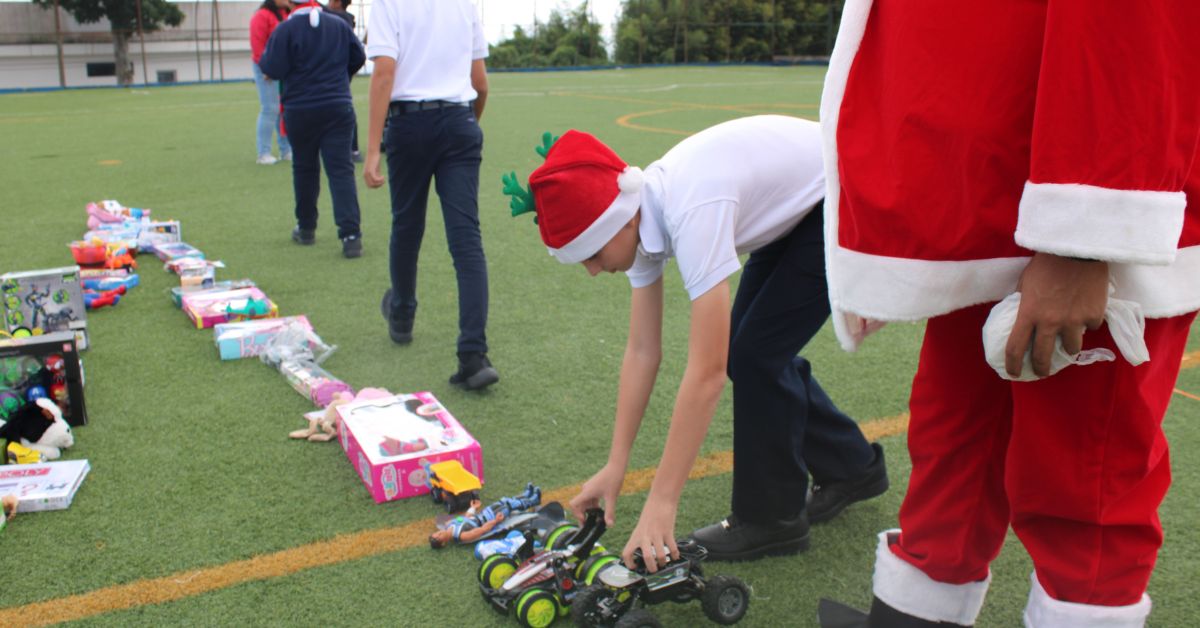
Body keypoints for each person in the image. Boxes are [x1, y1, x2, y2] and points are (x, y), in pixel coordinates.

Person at [815, 3, 1200, 626]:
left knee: (1086, 488)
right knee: (952, 455)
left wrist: (1083, 242)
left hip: (1084, 204)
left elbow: (1133, 24)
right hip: (994, 198)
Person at [504, 115, 888, 572]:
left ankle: (772, 519)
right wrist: (615, 465)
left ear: (619, 221)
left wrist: (663, 501)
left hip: (845, 192)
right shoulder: (637, 217)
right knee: (751, 352)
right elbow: (642, 351)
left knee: (755, 355)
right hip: (803, 203)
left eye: (591, 253)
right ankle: (850, 466)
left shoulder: (691, 209)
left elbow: (707, 373)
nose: (591, 270)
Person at [363, 0, 497, 390]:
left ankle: (402, 314)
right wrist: (466, 125)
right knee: (466, 241)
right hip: (459, 119)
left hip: (409, 124)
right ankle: (473, 356)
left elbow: (384, 73)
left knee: (407, 226)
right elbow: (480, 83)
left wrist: (372, 150)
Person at [259, 0, 366, 259]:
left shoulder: (285, 29)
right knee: (341, 170)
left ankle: (306, 227)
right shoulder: (339, 26)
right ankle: (351, 235)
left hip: (300, 108)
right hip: (338, 105)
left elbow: (271, 67)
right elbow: (358, 57)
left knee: (305, 168)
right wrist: (341, 77)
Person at [428, 484, 542, 549]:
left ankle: (526, 495)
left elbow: (466, 518)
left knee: (503, 501)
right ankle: (533, 501)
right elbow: (482, 530)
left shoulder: (449, 524)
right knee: (508, 506)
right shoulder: (462, 536)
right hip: (489, 519)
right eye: (438, 537)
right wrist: (496, 521)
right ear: (443, 543)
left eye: (436, 533)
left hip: (483, 513)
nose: (438, 533)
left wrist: (473, 508)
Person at [248, 0, 293, 165]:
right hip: (266, 68)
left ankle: (286, 150)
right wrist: (265, 68)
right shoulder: (261, 16)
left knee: (284, 109)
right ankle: (263, 153)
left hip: (284, 68)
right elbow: (257, 45)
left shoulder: (287, 14)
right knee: (270, 108)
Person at [322, 0, 362, 163]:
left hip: (336, 73)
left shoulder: (340, 19)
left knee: (342, 109)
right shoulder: (346, 18)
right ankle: (352, 149)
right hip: (341, 72)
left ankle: (352, 149)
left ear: (338, 2)